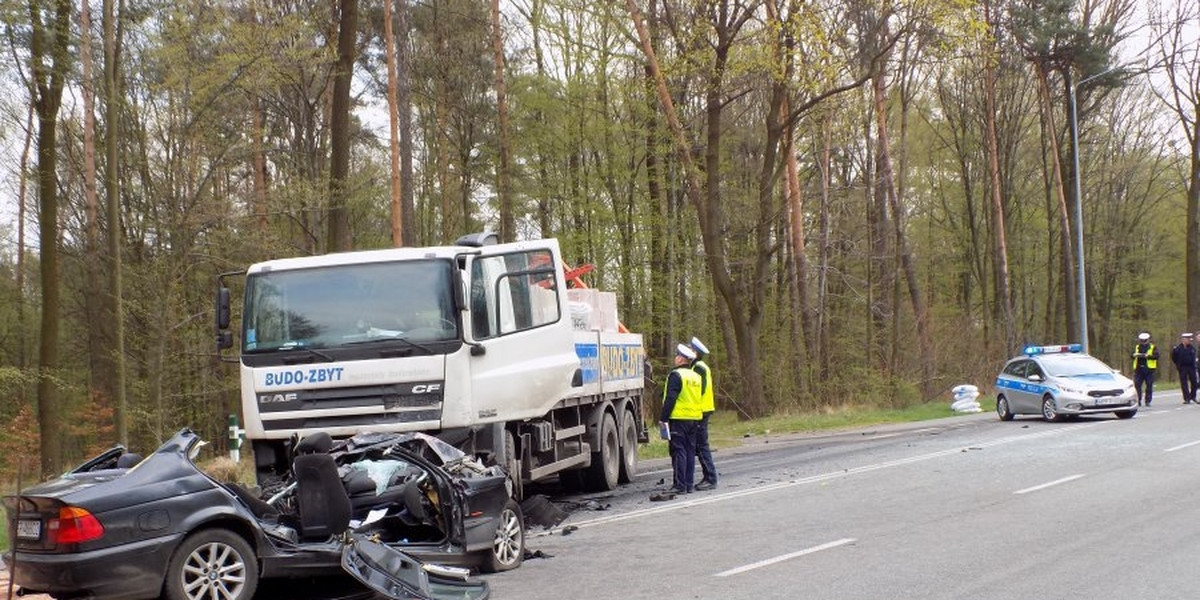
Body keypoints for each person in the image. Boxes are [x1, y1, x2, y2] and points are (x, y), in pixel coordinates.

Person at [660, 343, 703, 494]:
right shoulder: (696, 377)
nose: (675, 358)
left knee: (678, 451)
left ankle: (679, 485)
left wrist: (663, 418)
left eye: (677, 356)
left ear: (681, 359)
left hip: (678, 418)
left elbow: (671, 398)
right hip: (694, 418)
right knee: (690, 451)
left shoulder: (676, 375)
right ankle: (689, 484)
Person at [690, 336, 718, 491]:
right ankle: (709, 476)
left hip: (701, 410)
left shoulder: (699, 367)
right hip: (701, 409)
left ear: (695, 352)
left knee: (702, 446)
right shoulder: (697, 366)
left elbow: (698, 390)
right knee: (700, 445)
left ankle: (710, 478)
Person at [1132, 332, 1159, 407]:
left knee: (1149, 385)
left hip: (1149, 370)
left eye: (1145, 340)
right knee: (1137, 385)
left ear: (1148, 340)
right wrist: (1134, 355)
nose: (1143, 342)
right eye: (1142, 340)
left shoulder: (1153, 347)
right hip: (1138, 369)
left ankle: (1148, 400)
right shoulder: (1137, 347)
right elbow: (1132, 355)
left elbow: (1156, 356)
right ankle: (1138, 400)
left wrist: (1148, 356)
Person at [1172, 332, 1197, 404]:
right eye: (1188, 339)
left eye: (1190, 339)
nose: (1189, 341)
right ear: (1183, 339)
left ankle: (1193, 396)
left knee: (1194, 382)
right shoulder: (1178, 348)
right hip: (1182, 367)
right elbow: (1174, 357)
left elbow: (1193, 356)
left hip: (1191, 367)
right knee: (1184, 383)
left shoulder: (1192, 348)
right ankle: (1187, 398)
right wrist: (1178, 365)